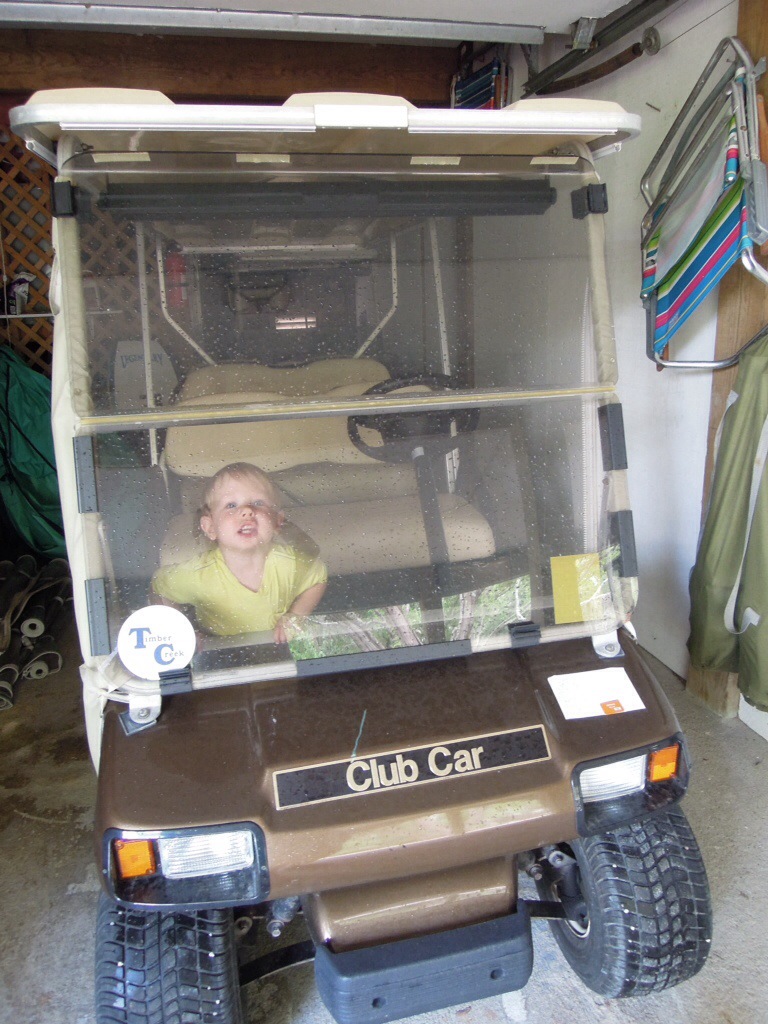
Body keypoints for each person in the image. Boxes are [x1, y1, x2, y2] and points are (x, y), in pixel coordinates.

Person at [152, 462, 327, 642]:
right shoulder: (199, 575)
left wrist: (296, 616)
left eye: (258, 503)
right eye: (231, 505)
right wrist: (180, 632)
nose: (247, 511)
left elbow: (318, 577)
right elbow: (159, 589)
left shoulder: (289, 562)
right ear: (210, 527)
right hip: (218, 645)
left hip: (274, 642)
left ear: (277, 521)